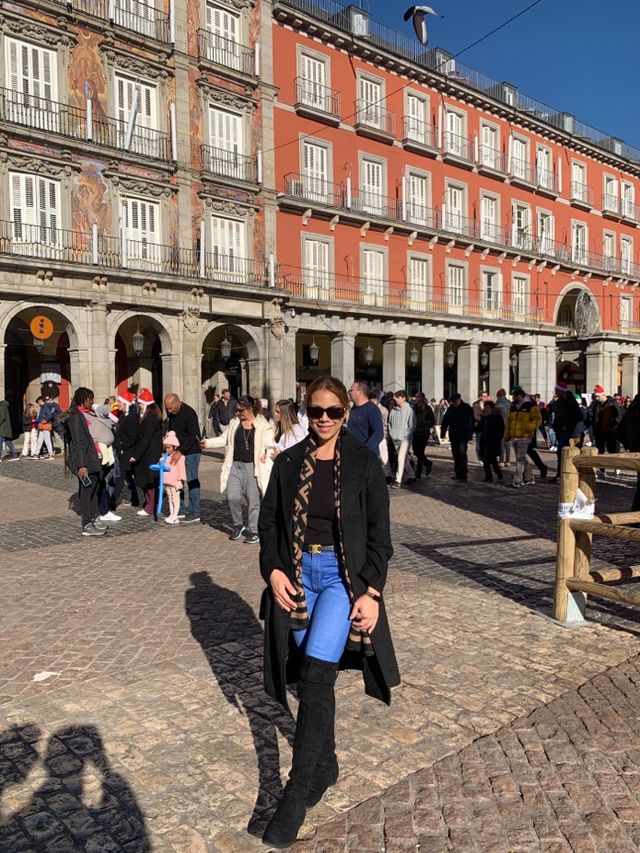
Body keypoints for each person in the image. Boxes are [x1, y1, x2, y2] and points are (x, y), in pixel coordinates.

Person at [258, 375, 399, 848]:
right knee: (311, 680)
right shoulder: (289, 462)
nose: (323, 420)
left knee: (318, 676)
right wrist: (274, 571)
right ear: (304, 412)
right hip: (299, 578)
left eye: (333, 412)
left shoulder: (363, 462)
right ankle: (328, 762)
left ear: (345, 414)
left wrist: (371, 592)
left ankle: (295, 795)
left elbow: (380, 538)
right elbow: (270, 526)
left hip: (341, 579)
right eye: (315, 411)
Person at [202, 395, 274, 544]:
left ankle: (253, 530)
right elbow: (223, 439)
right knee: (232, 497)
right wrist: (207, 443)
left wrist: (266, 455)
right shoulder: (235, 423)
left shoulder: (263, 426)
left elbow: (270, 445)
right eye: (237, 409)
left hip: (253, 467)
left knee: (253, 501)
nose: (238, 412)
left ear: (250, 409)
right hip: (235, 465)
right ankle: (238, 524)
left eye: (241, 409)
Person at [61, 387, 106, 536]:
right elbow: (79, 442)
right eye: (91, 399)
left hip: (90, 457)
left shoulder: (81, 414)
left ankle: (92, 519)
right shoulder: (75, 416)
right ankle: (87, 524)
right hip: (84, 460)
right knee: (87, 492)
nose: (92, 402)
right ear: (84, 399)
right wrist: (82, 465)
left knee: (94, 488)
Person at [164, 393, 202, 524]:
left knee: (191, 479)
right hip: (177, 450)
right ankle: (178, 508)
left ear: (177, 402)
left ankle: (194, 511)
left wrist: (180, 451)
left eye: (170, 407)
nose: (169, 411)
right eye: (166, 408)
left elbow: (194, 436)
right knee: (176, 479)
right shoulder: (171, 415)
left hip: (191, 451)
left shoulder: (189, 413)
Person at [129, 394, 163, 519]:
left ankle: (150, 506)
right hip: (146, 453)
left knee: (149, 481)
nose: (139, 405)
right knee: (145, 480)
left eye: (140, 403)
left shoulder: (151, 418)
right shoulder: (148, 416)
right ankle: (148, 503)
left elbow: (146, 438)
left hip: (149, 454)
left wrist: (136, 455)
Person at [504, 386, 542, 488]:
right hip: (514, 437)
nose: (513, 399)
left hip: (524, 437)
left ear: (520, 396)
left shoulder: (530, 406)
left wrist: (529, 427)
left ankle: (517, 480)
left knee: (519, 458)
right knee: (521, 458)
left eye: (515, 396)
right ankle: (529, 478)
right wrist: (507, 435)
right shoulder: (512, 407)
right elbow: (509, 422)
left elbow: (537, 419)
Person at [550, 382, 582, 483]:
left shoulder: (571, 401)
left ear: (560, 391)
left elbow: (578, 417)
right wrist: (556, 427)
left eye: (556, 391)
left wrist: (567, 426)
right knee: (561, 453)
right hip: (560, 431)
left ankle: (566, 475)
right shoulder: (559, 402)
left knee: (566, 453)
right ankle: (560, 474)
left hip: (569, 432)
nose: (555, 393)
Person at [440, 393, 474, 481]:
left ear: (459, 400)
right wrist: (442, 433)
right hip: (453, 434)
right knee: (455, 454)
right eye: (452, 402)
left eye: (455, 401)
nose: (454, 403)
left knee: (462, 454)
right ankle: (458, 473)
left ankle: (463, 473)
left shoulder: (466, 408)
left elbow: (471, 422)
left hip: (463, 435)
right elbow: (445, 421)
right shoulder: (451, 408)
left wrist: (469, 435)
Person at [388, 390, 417, 488]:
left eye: (397, 397)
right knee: (403, 459)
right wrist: (392, 434)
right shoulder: (393, 410)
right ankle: (412, 476)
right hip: (395, 438)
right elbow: (390, 424)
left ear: (403, 398)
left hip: (405, 439)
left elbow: (412, 425)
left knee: (400, 458)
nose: (395, 398)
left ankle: (398, 480)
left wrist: (404, 435)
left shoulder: (409, 410)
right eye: (395, 397)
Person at [616, 394, 640, 511]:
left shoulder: (634, 405)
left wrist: (630, 446)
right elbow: (620, 430)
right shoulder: (635, 406)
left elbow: (620, 430)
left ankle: (635, 521)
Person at [347, 381, 384, 453]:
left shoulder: (372, 409)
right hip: (352, 453)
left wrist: (365, 449)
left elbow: (378, 433)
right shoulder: (353, 409)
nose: (349, 392)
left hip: (366, 456)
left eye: (351, 390)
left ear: (359, 392)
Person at [161, 431, 186, 524]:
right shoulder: (167, 457)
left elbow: (181, 469)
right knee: (170, 499)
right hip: (168, 482)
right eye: (166, 448)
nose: (167, 450)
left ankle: (175, 515)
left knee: (175, 499)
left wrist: (180, 481)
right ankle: (171, 514)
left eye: (169, 448)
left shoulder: (180, 457)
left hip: (175, 482)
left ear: (175, 447)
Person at [591, 384, 623, 457]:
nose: (596, 398)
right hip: (599, 432)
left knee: (613, 452)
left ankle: (616, 467)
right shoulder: (596, 404)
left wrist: (612, 424)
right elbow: (592, 416)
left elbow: (619, 417)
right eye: (595, 396)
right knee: (600, 452)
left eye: (598, 396)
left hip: (610, 432)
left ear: (603, 395)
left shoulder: (612, 403)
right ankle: (601, 468)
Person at [477, 400, 504, 482]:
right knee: (488, 459)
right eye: (485, 407)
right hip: (484, 440)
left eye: (488, 407)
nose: (486, 409)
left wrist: (498, 437)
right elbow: (479, 428)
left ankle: (494, 475)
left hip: (493, 441)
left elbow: (501, 429)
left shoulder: (497, 417)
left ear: (492, 408)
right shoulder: (484, 417)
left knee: (490, 459)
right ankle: (492, 475)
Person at [412, 391, 435, 479]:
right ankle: (427, 463)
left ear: (422, 398)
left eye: (417, 397)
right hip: (415, 433)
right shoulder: (414, 407)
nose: (416, 399)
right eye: (415, 397)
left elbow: (432, 420)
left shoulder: (427, 408)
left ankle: (418, 471)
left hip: (423, 433)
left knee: (420, 452)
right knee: (416, 451)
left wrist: (426, 427)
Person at [494, 388, 512, 466]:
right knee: (507, 444)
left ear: (498, 395)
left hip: (500, 425)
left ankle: (501, 461)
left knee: (501, 443)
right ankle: (508, 461)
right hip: (508, 425)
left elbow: (495, 414)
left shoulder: (498, 403)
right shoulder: (509, 403)